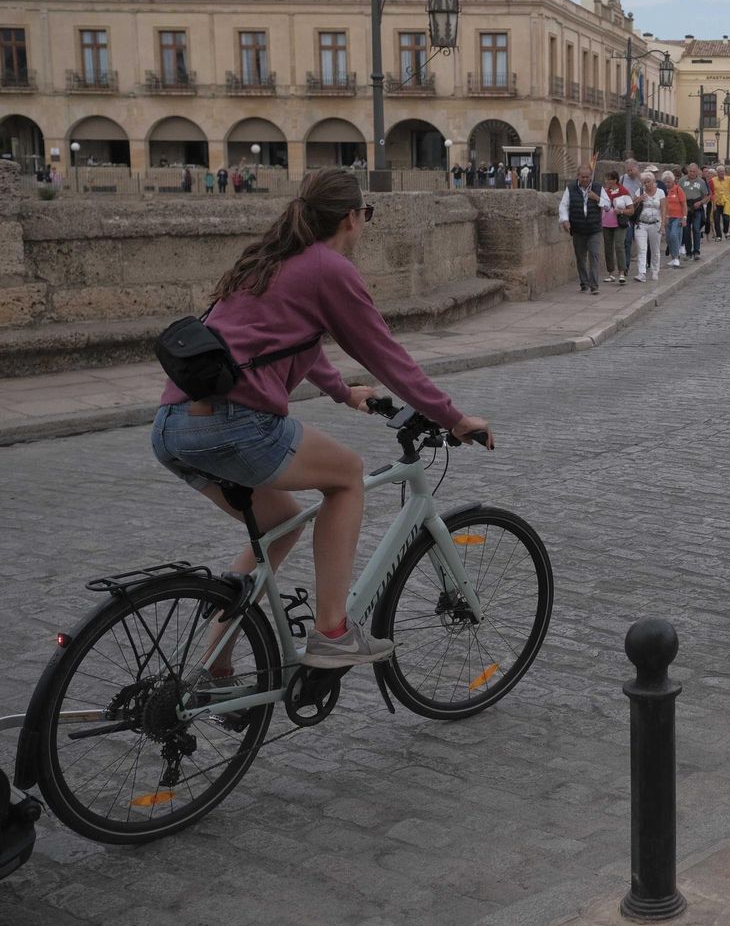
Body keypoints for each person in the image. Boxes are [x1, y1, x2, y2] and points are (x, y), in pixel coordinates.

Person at [150, 169, 492, 670]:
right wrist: (454, 417)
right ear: (352, 218)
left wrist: (343, 392)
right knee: (347, 475)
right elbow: (385, 355)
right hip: (236, 424)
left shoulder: (269, 260)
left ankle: (215, 661)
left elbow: (288, 341)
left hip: (172, 426)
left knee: (281, 523)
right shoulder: (328, 268)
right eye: (366, 216)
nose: (365, 225)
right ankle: (333, 632)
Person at [558, 164, 605, 294]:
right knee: (580, 257)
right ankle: (584, 283)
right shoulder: (571, 188)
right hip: (578, 228)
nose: (585, 179)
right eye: (582, 177)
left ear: (591, 176)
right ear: (578, 176)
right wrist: (565, 220)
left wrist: (597, 198)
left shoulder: (598, 187)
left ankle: (594, 285)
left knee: (594, 256)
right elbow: (564, 205)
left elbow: (607, 205)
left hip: (594, 228)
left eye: (587, 177)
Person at [599, 170, 632, 285]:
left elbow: (631, 210)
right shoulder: (604, 192)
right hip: (606, 223)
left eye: (609, 179)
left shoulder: (623, 192)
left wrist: (621, 211)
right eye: (606, 179)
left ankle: (622, 273)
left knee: (619, 246)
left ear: (615, 180)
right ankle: (611, 273)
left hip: (619, 223)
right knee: (608, 248)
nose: (607, 181)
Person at [633, 171, 665, 281]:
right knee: (642, 249)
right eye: (644, 182)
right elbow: (632, 205)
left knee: (655, 249)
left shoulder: (660, 192)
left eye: (648, 182)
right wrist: (639, 199)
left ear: (653, 181)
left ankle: (655, 270)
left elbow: (664, 209)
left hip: (655, 224)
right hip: (641, 224)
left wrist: (663, 225)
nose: (647, 184)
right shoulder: (640, 191)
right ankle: (641, 273)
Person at [681, 164, 710, 260]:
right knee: (686, 230)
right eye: (690, 171)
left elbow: (707, 196)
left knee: (696, 229)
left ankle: (696, 251)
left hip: (697, 208)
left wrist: (700, 202)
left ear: (697, 172)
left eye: (694, 171)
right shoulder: (682, 180)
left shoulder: (701, 182)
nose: (692, 173)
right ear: (687, 171)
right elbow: (678, 193)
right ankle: (688, 252)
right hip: (686, 207)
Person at [661, 170, 687, 268]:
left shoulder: (678, 190)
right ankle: (673, 257)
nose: (667, 184)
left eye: (669, 182)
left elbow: (684, 204)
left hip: (677, 217)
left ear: (673, 181)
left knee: (674, 235)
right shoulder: (662, 191)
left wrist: (684, 217)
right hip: (667, 217)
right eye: (665, 182)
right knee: (668, 238)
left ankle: (676, 257)